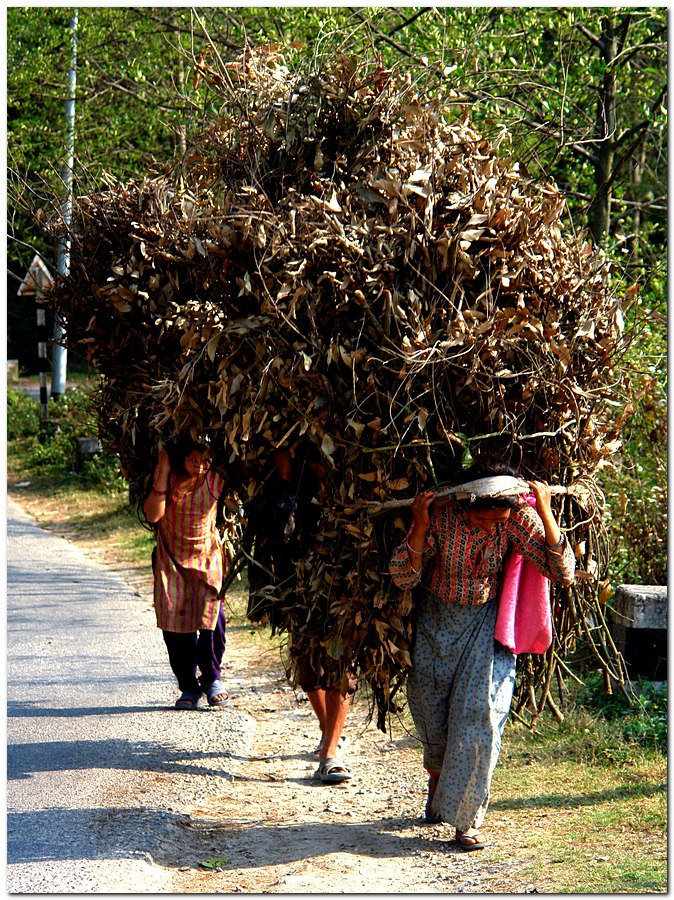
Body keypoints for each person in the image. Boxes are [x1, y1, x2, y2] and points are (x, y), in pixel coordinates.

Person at [389, 462, 575, 849]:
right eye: (482, 518)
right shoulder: (441, 516)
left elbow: (562, 571)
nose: (491, 526)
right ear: (465, 505)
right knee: (431, 713)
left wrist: (545, 513)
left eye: (498, 520)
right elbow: (403, 577)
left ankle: (467, 819)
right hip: (436, 625)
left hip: (485, 629)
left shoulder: (516, 518)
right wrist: (420, 527)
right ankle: (438, 783)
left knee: (483, 714)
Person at [245, 446, 355, 783]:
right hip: (299, 587)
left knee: (341, 667)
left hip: (344, 586)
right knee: (307, 666)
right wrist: (286, 478)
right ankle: (327, 730)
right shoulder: (289, 489)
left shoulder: (351, 491)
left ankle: (331, 753)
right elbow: (281, 532)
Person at [144, 438, 229, 710]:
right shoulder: (167, 479)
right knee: (174, 624)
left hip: (207, 558)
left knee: (213, 618)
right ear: (182, 458)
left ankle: (212, 678)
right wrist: (164, 468)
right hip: (171, 559)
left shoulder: (216, 478)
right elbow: (153, 516)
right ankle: (188, 686)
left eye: (206, 460)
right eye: (195, 459)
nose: (201, 466)